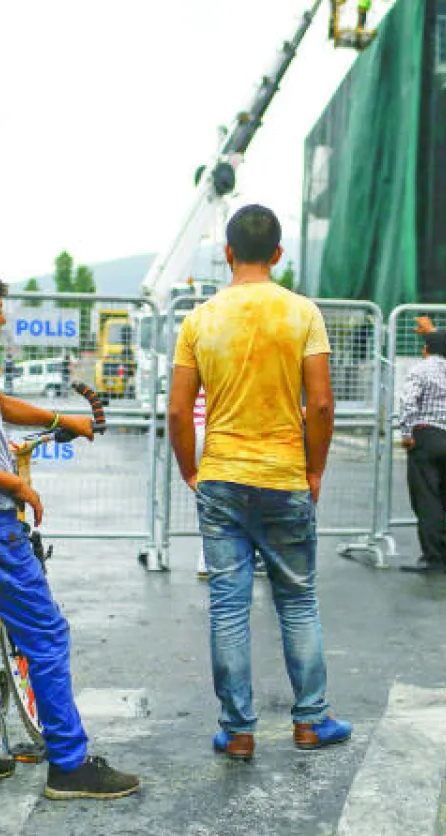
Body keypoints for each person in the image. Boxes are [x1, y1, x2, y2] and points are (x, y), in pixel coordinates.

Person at [0, 265, 142, 800]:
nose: (4, 322)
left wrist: (63, 422)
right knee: (45, 635)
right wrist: (17, 486)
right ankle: (69, 763)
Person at [168, 204, 351, 761]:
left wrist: (190, 469)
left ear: (228, 253)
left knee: (228, 608)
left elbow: (177, 411)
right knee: (297, 601)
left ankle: (239, 731)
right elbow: (321, 404)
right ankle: (311, 721)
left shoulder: (199, 320)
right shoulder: (303, 313)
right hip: (283, 474)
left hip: (222, 475)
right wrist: (314, 469)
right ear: (277, 254)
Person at [397, 315, 446, 575]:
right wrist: (433, 331)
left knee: (426, 499)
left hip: (426, 438)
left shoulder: (420, 370)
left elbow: (408, 402)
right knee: (444, 498)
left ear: (425, 350)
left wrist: (406, 433)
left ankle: (432, 557)